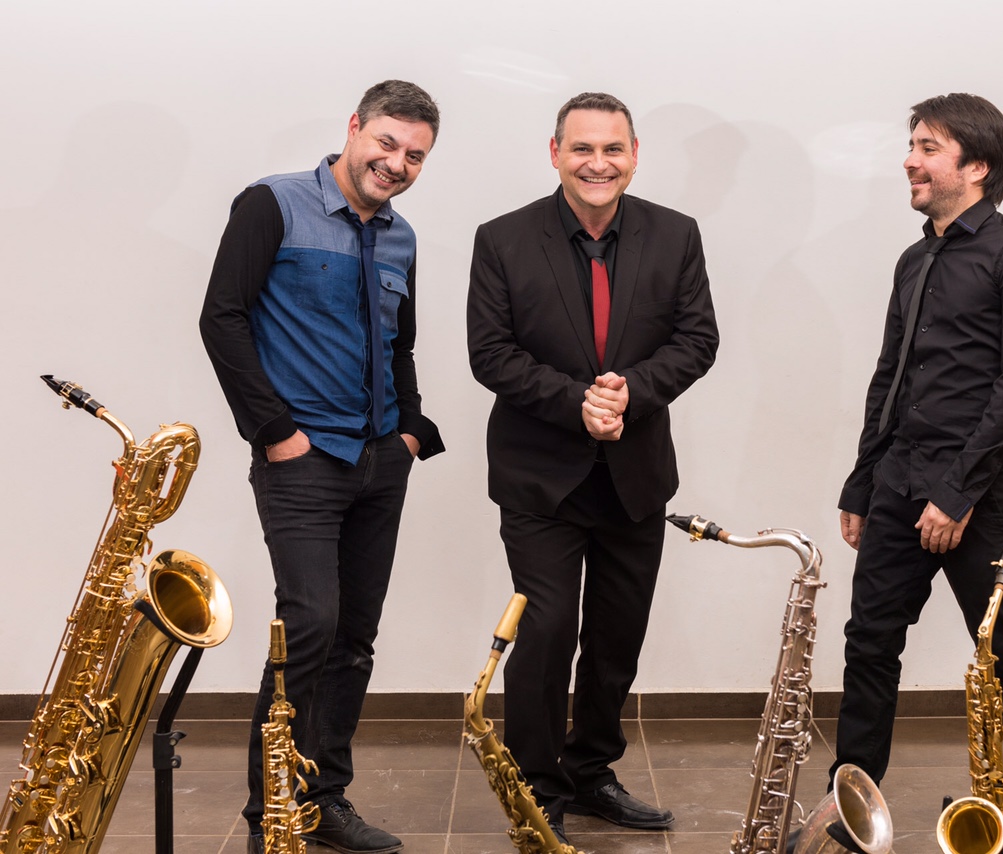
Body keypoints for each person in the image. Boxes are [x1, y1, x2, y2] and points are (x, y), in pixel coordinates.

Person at [200, 80, 445, 854]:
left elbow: (398, 345)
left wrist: (408, 430)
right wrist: (274, 432)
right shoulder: (271, 203)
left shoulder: (402, 237)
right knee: (311, 624)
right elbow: (223, 317)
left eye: (415, 155)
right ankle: (270, 807)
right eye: (387, 143)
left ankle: (325, 797)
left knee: (356, 638)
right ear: (354, 128)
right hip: (304, 459)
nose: (396, 163)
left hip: (380, 461)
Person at [467, 92, 718, 845]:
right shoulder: (502, 238)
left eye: (613, 149)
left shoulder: (676, 235)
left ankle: (591, 771)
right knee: (545, 635)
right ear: (555, 154)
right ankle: (536, 787)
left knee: (616, 637)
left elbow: (697, 338)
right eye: (582, 149)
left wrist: (630, 391)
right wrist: (576, 401)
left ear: (634, 155)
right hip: (541, 476)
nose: (597, 163)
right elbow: (492, 353)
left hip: (635, 474)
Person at [828, 93, 1003, 854]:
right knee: (868, 644)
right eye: (913, 144)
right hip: (897, 482)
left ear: (978, 166)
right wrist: (862, 484)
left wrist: (955, 496)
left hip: (984, 496)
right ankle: (852, 804)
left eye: (928, 146)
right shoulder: (915, 257)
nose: (910, 159)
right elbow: (889, 377)